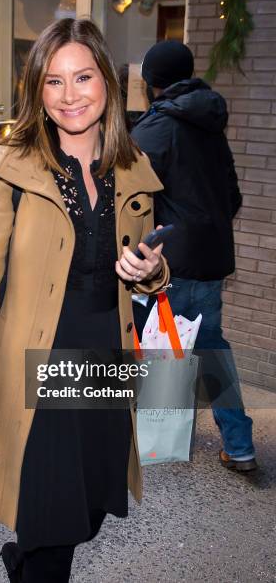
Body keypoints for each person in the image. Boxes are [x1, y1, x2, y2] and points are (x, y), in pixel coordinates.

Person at [0, 18, 170, 582]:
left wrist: (153, 272)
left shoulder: (132, 166)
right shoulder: (10, 168)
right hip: (40, 365)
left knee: (87, 516)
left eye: (83, 77)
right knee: (52, 526)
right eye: (54, 81)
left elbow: (142, 268)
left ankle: (26, 557)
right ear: (36, 90)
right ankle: (32, 561)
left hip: (106, 365)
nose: (70, 96)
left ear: (108, 85)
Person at [131, 40, 257, 473]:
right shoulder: (209, 122)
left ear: (151, 81)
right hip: (211, 258)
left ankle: (153, 441)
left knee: (161, 346)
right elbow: (233, 195)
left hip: (170, 262)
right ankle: (239, 443)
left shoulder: (157, 127)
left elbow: (124, 193)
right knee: (209, 347)